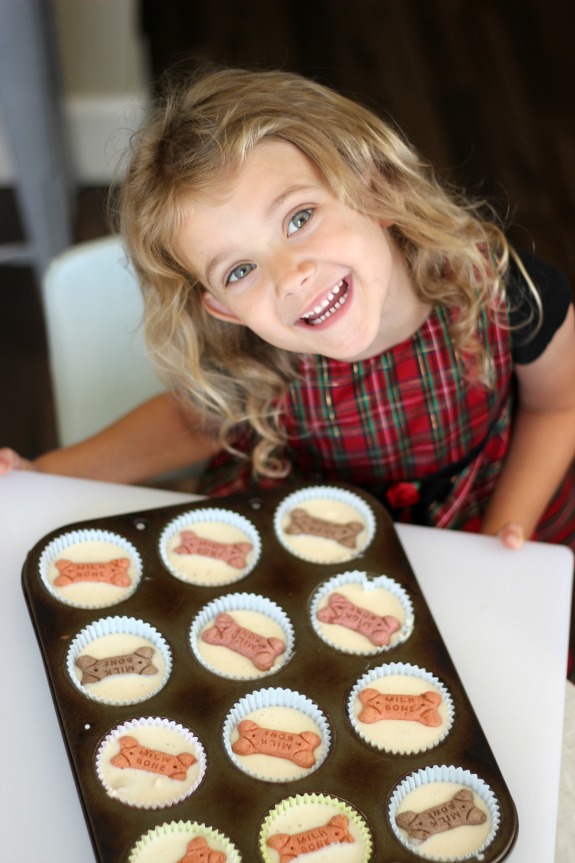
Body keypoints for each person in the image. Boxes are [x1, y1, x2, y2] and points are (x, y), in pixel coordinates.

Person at [1, 66, 575, 552]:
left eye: (299, 218)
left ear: (375, 189)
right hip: (305, 533)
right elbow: (192, 421)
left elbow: (558, 407)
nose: (291, 276)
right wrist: (45, 474)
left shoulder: (508, 292)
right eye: (241, 270)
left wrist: (504, 530)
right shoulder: (256, 354)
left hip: (484, 514)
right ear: (225, 308)